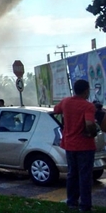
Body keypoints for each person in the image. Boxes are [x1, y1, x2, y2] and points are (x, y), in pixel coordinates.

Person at [54, 79, 97, 212]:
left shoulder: (66, 102)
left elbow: (56, 110)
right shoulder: (88, 106)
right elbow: (89, 124)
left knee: (72, 174)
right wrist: (93, 133)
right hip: (85, 146)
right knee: (85, 176)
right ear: (86, 91)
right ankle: (85, 206)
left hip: (69, 145)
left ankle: (71, 202)